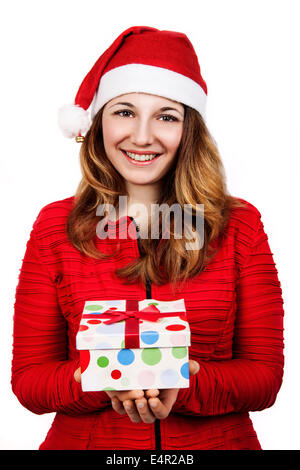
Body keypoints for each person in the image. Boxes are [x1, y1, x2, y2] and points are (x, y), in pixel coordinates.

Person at [11, 25, 284, 450]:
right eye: (124, 111)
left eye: (166, 116)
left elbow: (265, 378)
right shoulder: (54, 226)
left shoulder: (240, 224)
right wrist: (99, 380)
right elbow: (29, 382)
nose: (142, 136)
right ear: (98, 120)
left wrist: (184, 386)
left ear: (188, 129)